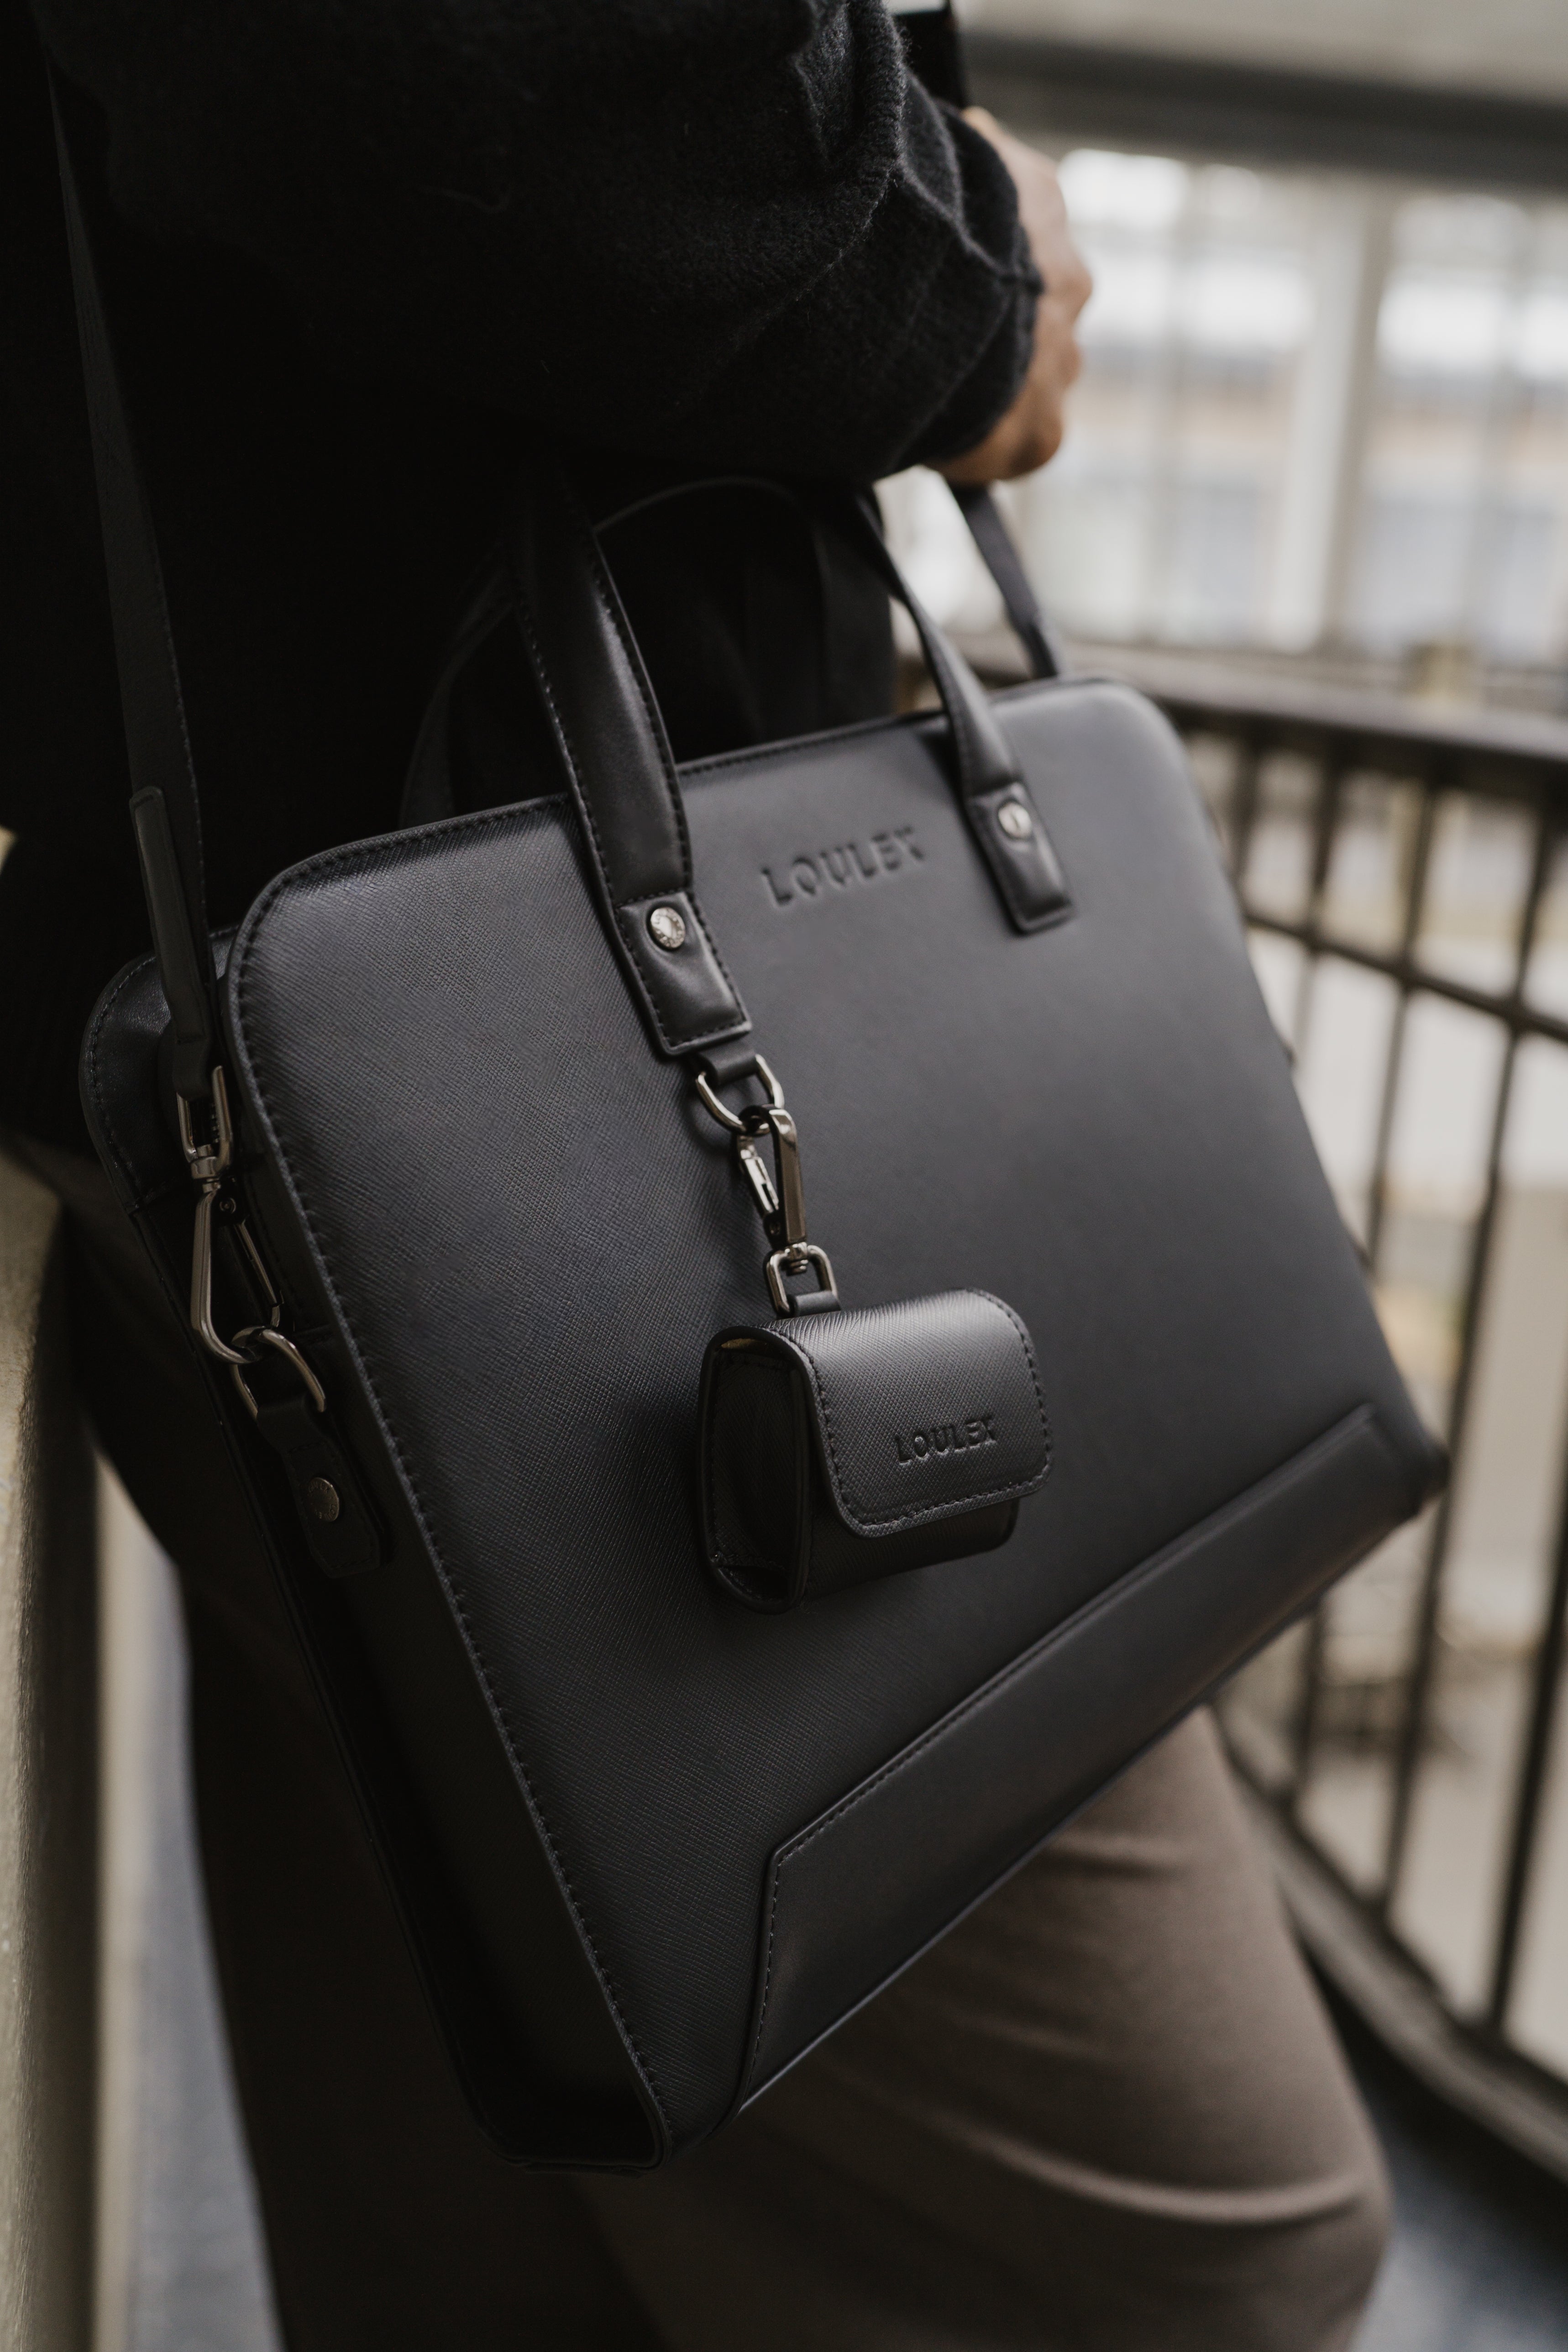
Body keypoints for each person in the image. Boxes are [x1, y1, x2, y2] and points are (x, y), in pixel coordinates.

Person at [0, 2, 1390, 2343]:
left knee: (493, 2204)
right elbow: (465, 77)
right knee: (1214, 2248)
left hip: (319, 994)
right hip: (456, 1063)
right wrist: (963, 279)